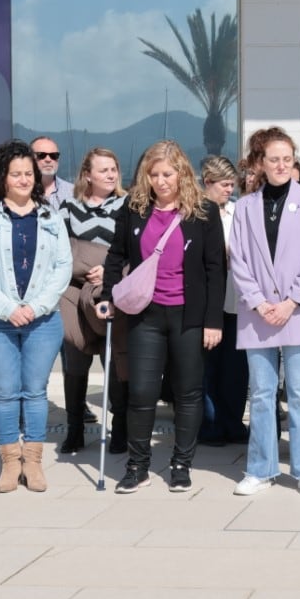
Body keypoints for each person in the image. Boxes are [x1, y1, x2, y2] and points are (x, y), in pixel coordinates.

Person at [98, 141, 226, 493]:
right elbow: (116, 255)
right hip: (146, 315)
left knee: (187, 392)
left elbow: (216, 270)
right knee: (141, 391)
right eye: (154, 174)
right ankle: (137, 465)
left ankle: (181, 464)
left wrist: (213, 320)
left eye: (167, 174)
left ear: (182, 172)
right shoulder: (134, 207)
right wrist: (108, 294)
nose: (160, 181)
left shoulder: (203, 211)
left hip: (189, 315)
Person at [0, 140, 73, 492]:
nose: (25, 179)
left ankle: (34, 462)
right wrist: (7, 308)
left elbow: (63, 267)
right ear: (4, 178)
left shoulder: (51, 218)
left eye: (29, 173)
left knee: (35, 392)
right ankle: (10, 463)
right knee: (6, 392)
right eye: (17, 174)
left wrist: (35, 307)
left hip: (42, 321)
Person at [230, 127, 300, 495]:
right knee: (260, 392)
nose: (282, 165)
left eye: (288, 159)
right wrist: (259, 301)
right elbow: (238, 260)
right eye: (274, 159)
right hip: (258, 312)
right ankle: (260, 469)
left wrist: (291, 302)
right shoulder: (245, 207)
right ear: (260, 163)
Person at [58, 147, 129, 454]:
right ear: (87, 175)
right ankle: (75, 429)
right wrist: (87, 270)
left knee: (115, 362)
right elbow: (59, 251)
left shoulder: (130, 205)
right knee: (75, 362)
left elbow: (137, 250)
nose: (111, 175)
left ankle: (120, 429)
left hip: (115, 291)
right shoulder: (68, 207)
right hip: (75, 292)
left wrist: (111, 271)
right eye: (104, 170)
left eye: (114, 169)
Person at [200, 155, 250, 447]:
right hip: (207, 304)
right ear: (208, 182)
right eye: (224, 184)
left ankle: (233, 423)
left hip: (235, 299)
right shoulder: (194, 213)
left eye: (232, 184)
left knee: (235, 369)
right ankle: (211, 424)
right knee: (208, 368)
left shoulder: (237, 212)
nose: (229, 190)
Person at [30, 136, 71, 211]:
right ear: (30, 159)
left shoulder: (73, 192)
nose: (48, 160)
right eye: (41, 155)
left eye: (53, 156)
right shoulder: (21, 192)